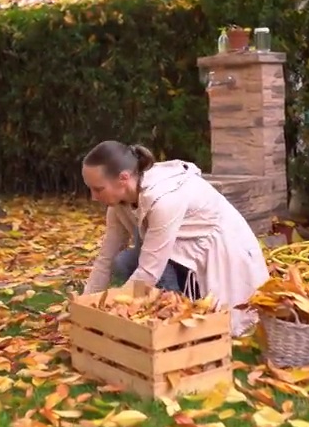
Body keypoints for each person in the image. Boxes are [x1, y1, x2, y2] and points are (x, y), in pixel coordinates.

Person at [80, 140, 269, 336]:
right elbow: (106, 258)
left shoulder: (164, 199)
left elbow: (149, 272)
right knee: (123, 262)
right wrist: (85, 306)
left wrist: (113, 310)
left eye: (98, 189)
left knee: (155, 273)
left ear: (123, 178)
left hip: (220, 253)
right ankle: (158, 321)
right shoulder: (118, 205)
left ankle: (175, 329)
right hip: (177, 253)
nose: (93, 196)